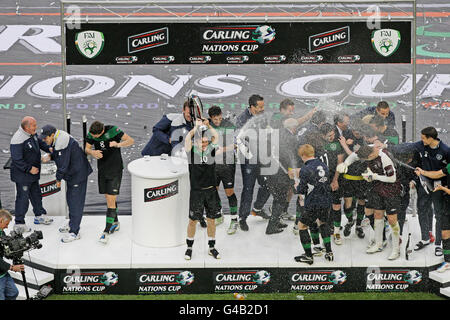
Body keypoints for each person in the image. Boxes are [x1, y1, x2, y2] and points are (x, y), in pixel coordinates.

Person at [390, 127, 450, 256]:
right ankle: (425, 238)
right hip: (424, 183)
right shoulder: (421, 145)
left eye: (423, 138)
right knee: (422, 209)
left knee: (439, 214)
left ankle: (438, 244)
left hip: (439, 185)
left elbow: (445, 172)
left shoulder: (445, 150)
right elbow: (405, 147)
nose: (421, 140)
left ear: (431, 138)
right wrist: (386, 146)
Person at [338, 145, 402, 260]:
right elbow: (354, 156)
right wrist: (345, 164)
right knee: (377, 215)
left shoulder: (385, 158)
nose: (364, 161)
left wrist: (375, 176)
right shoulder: (368, 148)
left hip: (391, 190)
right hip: (377, 189)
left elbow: (392, 178)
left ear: (371, 155)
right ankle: (379, 244)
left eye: (366, 159)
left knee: (392, 220)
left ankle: (396, 249)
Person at [40, 125, 93, 243]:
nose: (44, 140)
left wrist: (58, 180)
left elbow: (62, 165)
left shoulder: (61, 142)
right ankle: (72, 224)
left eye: (45, 138)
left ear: (52, 135)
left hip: (77, 175)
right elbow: (62, 155)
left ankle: (74, 232)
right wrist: (50, 155)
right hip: (72, 174)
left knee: (75, 203)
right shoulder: (58, 137)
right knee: (70, 200)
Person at [85, 121, 135, 244]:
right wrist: (93, 152)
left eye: (96, 136)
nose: (94, 138)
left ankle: (106, 231)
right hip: (103, 169)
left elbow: (130, 141)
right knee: (108, 198)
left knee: (111, 199)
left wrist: (118, 144)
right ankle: (115, 223)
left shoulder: (113, 130)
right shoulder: (91, 134)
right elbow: (86, 148)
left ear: (102, 131)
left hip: (115, 169)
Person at [184, 118, 221, 260]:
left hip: (211, 192)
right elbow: (188, 138)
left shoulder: (211, 149)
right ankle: (189, 248)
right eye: (202, 142)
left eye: (206, 142)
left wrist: (208, 125)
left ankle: (212, 248)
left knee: (211, 221)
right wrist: (196, 127)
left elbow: (216, 136)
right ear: (196, 142)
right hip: (197, 192)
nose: (205, 144)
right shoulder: (191, 152)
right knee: (193, 221)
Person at [9, 116, 54, 234]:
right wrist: (29, 169)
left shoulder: (31, 134)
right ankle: (19, 223)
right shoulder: (17, 139)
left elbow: (40, 143)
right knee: (22, 199)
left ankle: (39, 216)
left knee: (36, 195)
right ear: (27, 127)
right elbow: (16, 159)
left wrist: (50, 149)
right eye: (34, 125)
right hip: (23, 176)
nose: (36, 127)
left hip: (33, 174)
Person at [235, 94, 271, 232]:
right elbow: (239, 140)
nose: (263, 109)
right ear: (251, 107)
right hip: (249, 160)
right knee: (248, 189)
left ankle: (257, 208)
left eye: (263, 106)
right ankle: (242, 218)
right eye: (260, 107)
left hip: (262, 158)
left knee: (268, 184)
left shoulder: (261, 115)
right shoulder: (241, 119)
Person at [294, 144, 334, 265]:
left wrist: (296, 187)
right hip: (326, 200)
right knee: (323, 223)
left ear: (303, 155)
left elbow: (301, 190)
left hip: (313, 203)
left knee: (302, 226)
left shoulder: (305, 169)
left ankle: (308, 256)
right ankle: (329, 252)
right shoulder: (323, 165)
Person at [208, 106, 239, 234]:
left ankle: (234, 220)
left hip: (228, 164)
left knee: (229, 192)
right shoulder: (206, 125)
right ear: (210, 118)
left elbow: (235, 144)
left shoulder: (229, 125)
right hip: (213, 165)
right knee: (214, 190)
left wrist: (222, 149)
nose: (218, 121)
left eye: (219, 118)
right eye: (215, 120)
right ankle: (219, 214)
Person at [415, 164, 450, 272]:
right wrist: (422, 173)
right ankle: (448, 262)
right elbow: (438, 173)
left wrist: (442, 188)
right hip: (447, 203)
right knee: (445, 233)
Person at [0, 209, 23, 300]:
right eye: (6, 224)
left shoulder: (2, 233)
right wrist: (12, 267)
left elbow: (4, 252)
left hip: (3, 272)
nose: (6, 227)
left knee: (13, 293)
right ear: (0, 220)